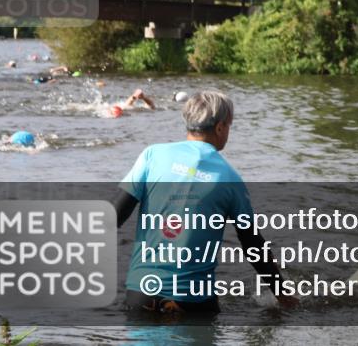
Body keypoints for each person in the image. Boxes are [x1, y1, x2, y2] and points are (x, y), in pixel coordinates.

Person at [113, 90, 292, 314]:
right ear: (219, 127)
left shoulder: (152, 155)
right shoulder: (229, 177)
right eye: (229, 126)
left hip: (142, 295)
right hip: (194, 302)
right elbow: (252, 243)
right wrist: (283, 294)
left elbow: (115, 216)